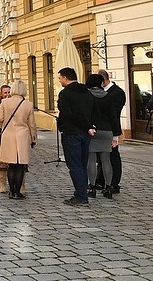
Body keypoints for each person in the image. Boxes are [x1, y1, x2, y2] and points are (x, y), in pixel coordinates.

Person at [57, 67, 96, 206]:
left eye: (60, 78)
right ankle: (82, 192)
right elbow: (93, 111)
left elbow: (67, 114)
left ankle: (81, 196)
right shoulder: (87, 92)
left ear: (66, 78)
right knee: (82, 164)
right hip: (86, 133)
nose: (60, 80)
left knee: (75, 165)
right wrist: (90, 126)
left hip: (72, 132)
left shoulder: (65, 94)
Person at [0, 81, 36, 199]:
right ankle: (18, 192)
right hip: (22, 135)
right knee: (20, 165)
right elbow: (32, 124)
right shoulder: (28, 104)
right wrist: (33, 138)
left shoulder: (5, 102)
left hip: (8, 134)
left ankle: (11, 191)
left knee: (11, 165)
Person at [95, 69, 125, 192]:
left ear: (103, 80)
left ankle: (114, 183)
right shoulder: (100, 92)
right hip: (99, 129)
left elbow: (114, 113)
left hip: (111, 129)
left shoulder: (117, 92)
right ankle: (100, 181)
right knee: (100, 157)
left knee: (112, 157)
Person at [86, 73, 115, 199]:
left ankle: (92, 187)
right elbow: (114, 117)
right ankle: (108, 188)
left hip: (92, 130)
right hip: (107, 131)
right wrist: (116, 134)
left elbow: (85, 114)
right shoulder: (108, 97)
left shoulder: (87, 96)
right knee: (106, 160)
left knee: (91, 161)